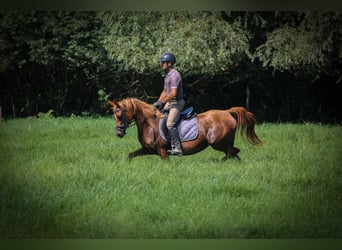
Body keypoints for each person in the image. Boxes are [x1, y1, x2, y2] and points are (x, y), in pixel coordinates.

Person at [154, 52, 185, 156]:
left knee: (170, 123)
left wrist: (163, 102)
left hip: (177, 103)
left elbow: (173, 93)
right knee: (157, 117)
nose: (161, 64)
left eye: (163, 62)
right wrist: (158, 101)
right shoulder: (167, 75)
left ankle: (177, 147)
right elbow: (164, 91)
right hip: (169, 103)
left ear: (170, 63)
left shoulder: (175, 75)